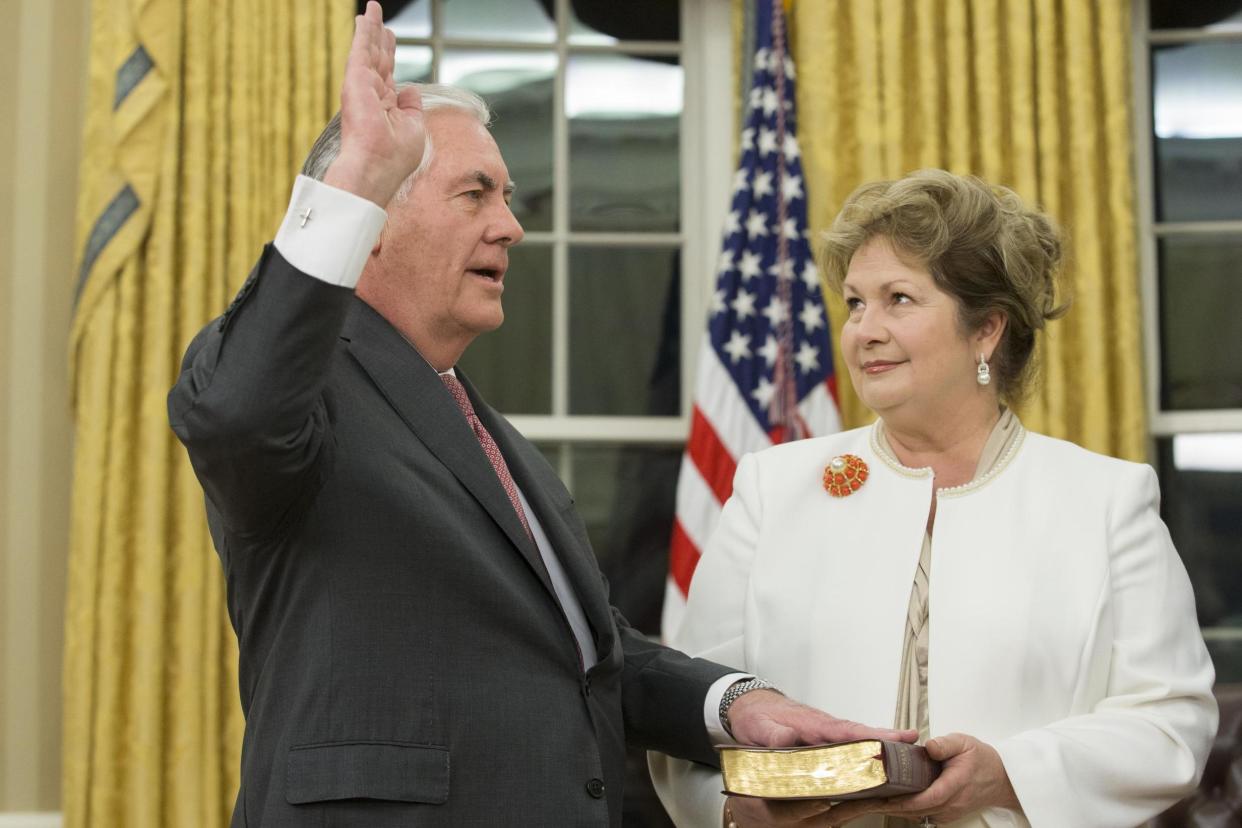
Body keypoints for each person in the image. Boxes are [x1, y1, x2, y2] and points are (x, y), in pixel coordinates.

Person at [167, 5, 910, 826]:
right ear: (374, 222)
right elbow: (237, 416)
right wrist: (350, 185)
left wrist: (736, 707)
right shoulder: (301, 389)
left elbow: (592, 658)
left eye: (508, 197)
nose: (512, 226)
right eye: (475, 194)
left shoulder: (490, 437)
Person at [649, 169, 1219, 828]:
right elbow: (691, 713)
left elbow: (1172, 723)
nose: (864, 330)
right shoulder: (770, 489)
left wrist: (1009, 776)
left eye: (899, 299)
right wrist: (732, 814)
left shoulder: (1106, 500)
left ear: (987, 331)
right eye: (856, 303)